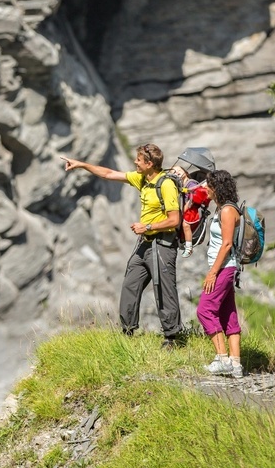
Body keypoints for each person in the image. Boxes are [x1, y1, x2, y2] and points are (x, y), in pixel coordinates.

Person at [61, 144, 185, 348]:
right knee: (130, 284)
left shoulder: (166, 185)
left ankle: (172, 338)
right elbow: (108, 174)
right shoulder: (142, 179)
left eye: (139, 159)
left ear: (149, 164)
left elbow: (175, 219)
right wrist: (81, 165)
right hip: (145, 243)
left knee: (164, 289)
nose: (135, 162)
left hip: (163, 244)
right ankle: (127, 332)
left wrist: (147, 226)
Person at [197, 169, 243, 377]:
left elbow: (226, 244)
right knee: (228, 314)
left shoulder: (227, 211)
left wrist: (213, 273)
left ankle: (222, 359)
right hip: (226, 267)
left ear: (217, 188)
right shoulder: (222, 208)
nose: (205, 188)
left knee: (205, 310)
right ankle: (236, 364)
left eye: (209, 185)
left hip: (224, 267)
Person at [170, 165, 211, 257]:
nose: (177, 173)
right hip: (188, 209)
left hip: (192, 210)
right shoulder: (182, 185)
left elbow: (193, 197)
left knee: (186, 225)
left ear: (185, 171)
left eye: (179, 170)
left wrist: (185, 207)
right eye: (174, 173)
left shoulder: (191, 183)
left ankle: (188, 247)